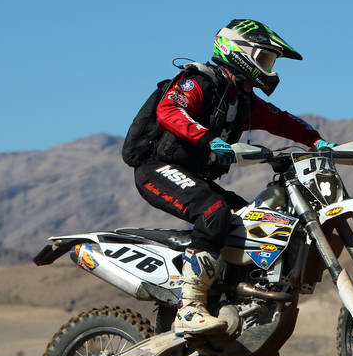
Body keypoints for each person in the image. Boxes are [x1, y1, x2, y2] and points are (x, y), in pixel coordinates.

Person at [128, 19, 335, 335]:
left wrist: (316, 141)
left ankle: (226, 295)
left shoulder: (242, 100)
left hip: (194, 176)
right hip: (156, 168)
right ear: (239, 52)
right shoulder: (200, 82)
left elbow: (281, 121)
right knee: (213, 211)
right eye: (265, 58)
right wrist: (208, 139)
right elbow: (170, 110)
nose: (269, 68)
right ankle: (190, 308)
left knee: (248, 220)